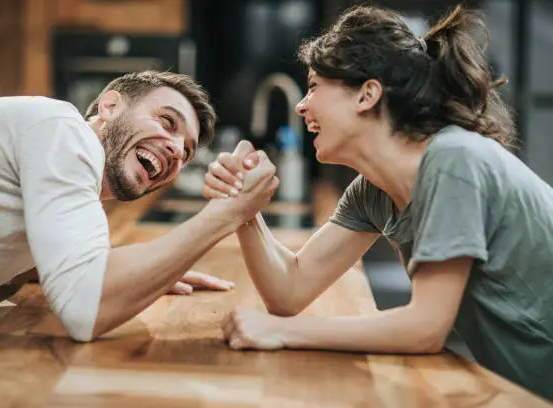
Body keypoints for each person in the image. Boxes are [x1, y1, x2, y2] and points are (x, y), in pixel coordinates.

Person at [202, 5, 553, 401]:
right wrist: (245, 208)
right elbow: (289, 291)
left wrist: (280, 333)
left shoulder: (455, 160)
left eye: (315, 86)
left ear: (367, 95)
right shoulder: (375, 191)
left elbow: (425, 328)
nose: (302, 105)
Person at [0, 70, 279, 342]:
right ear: (109, 106)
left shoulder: (56, 167)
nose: (177, 150)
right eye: (166, 121)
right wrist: (230, 212)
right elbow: (84, 311)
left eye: (187, 152)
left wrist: (148, 270)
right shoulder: (61, 129)